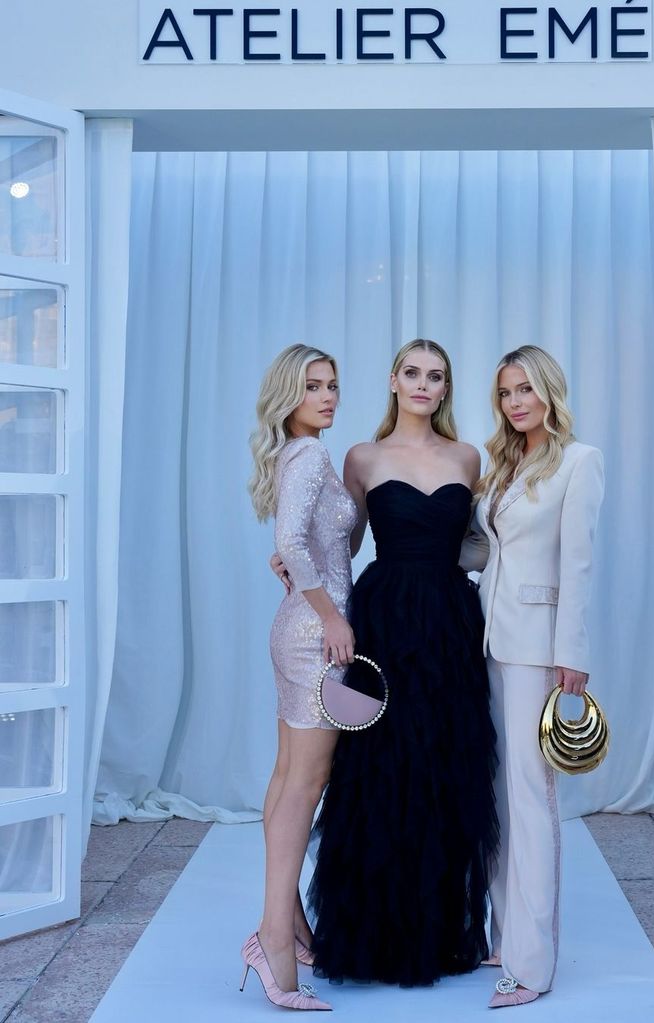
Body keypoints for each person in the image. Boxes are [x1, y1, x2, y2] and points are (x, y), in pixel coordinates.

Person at [297, 339, 499, 987]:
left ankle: (438, 927)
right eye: (411, 372)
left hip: (448, 621)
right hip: (383, 618)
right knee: (381, 768)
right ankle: (375, 929)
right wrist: (295, 566)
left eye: (434, 375)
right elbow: (342, 540)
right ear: (392, 381)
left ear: (445, 388)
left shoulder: (469, 457)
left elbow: (482, 544)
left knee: (445, 764)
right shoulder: (362, 456)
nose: (422, 383)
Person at [460, 345, 604, 1009]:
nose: (516, 402)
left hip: (537, 648)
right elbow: (483, 550)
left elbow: (576, 564)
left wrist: (570, 653)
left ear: (548, 390)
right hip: (487, 639)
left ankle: (532, 960)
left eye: (525, 390)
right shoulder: (504, 464)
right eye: (506, 393)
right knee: (495, 790)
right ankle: (502, 933)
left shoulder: (579, 460)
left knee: (529, 793)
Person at [243, 343, 358, 1012]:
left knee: (289, 776)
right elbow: (292, 542)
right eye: (313, 386)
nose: (327, 396)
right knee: (304, 782)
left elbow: (296, 542)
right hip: (318, 636)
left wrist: (299, 570)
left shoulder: (294, 455)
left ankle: (287, 927)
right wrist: (331, 617)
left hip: (298, 627)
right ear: (287, 395)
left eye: (333, 384)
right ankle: (273, 940)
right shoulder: (310, 454)